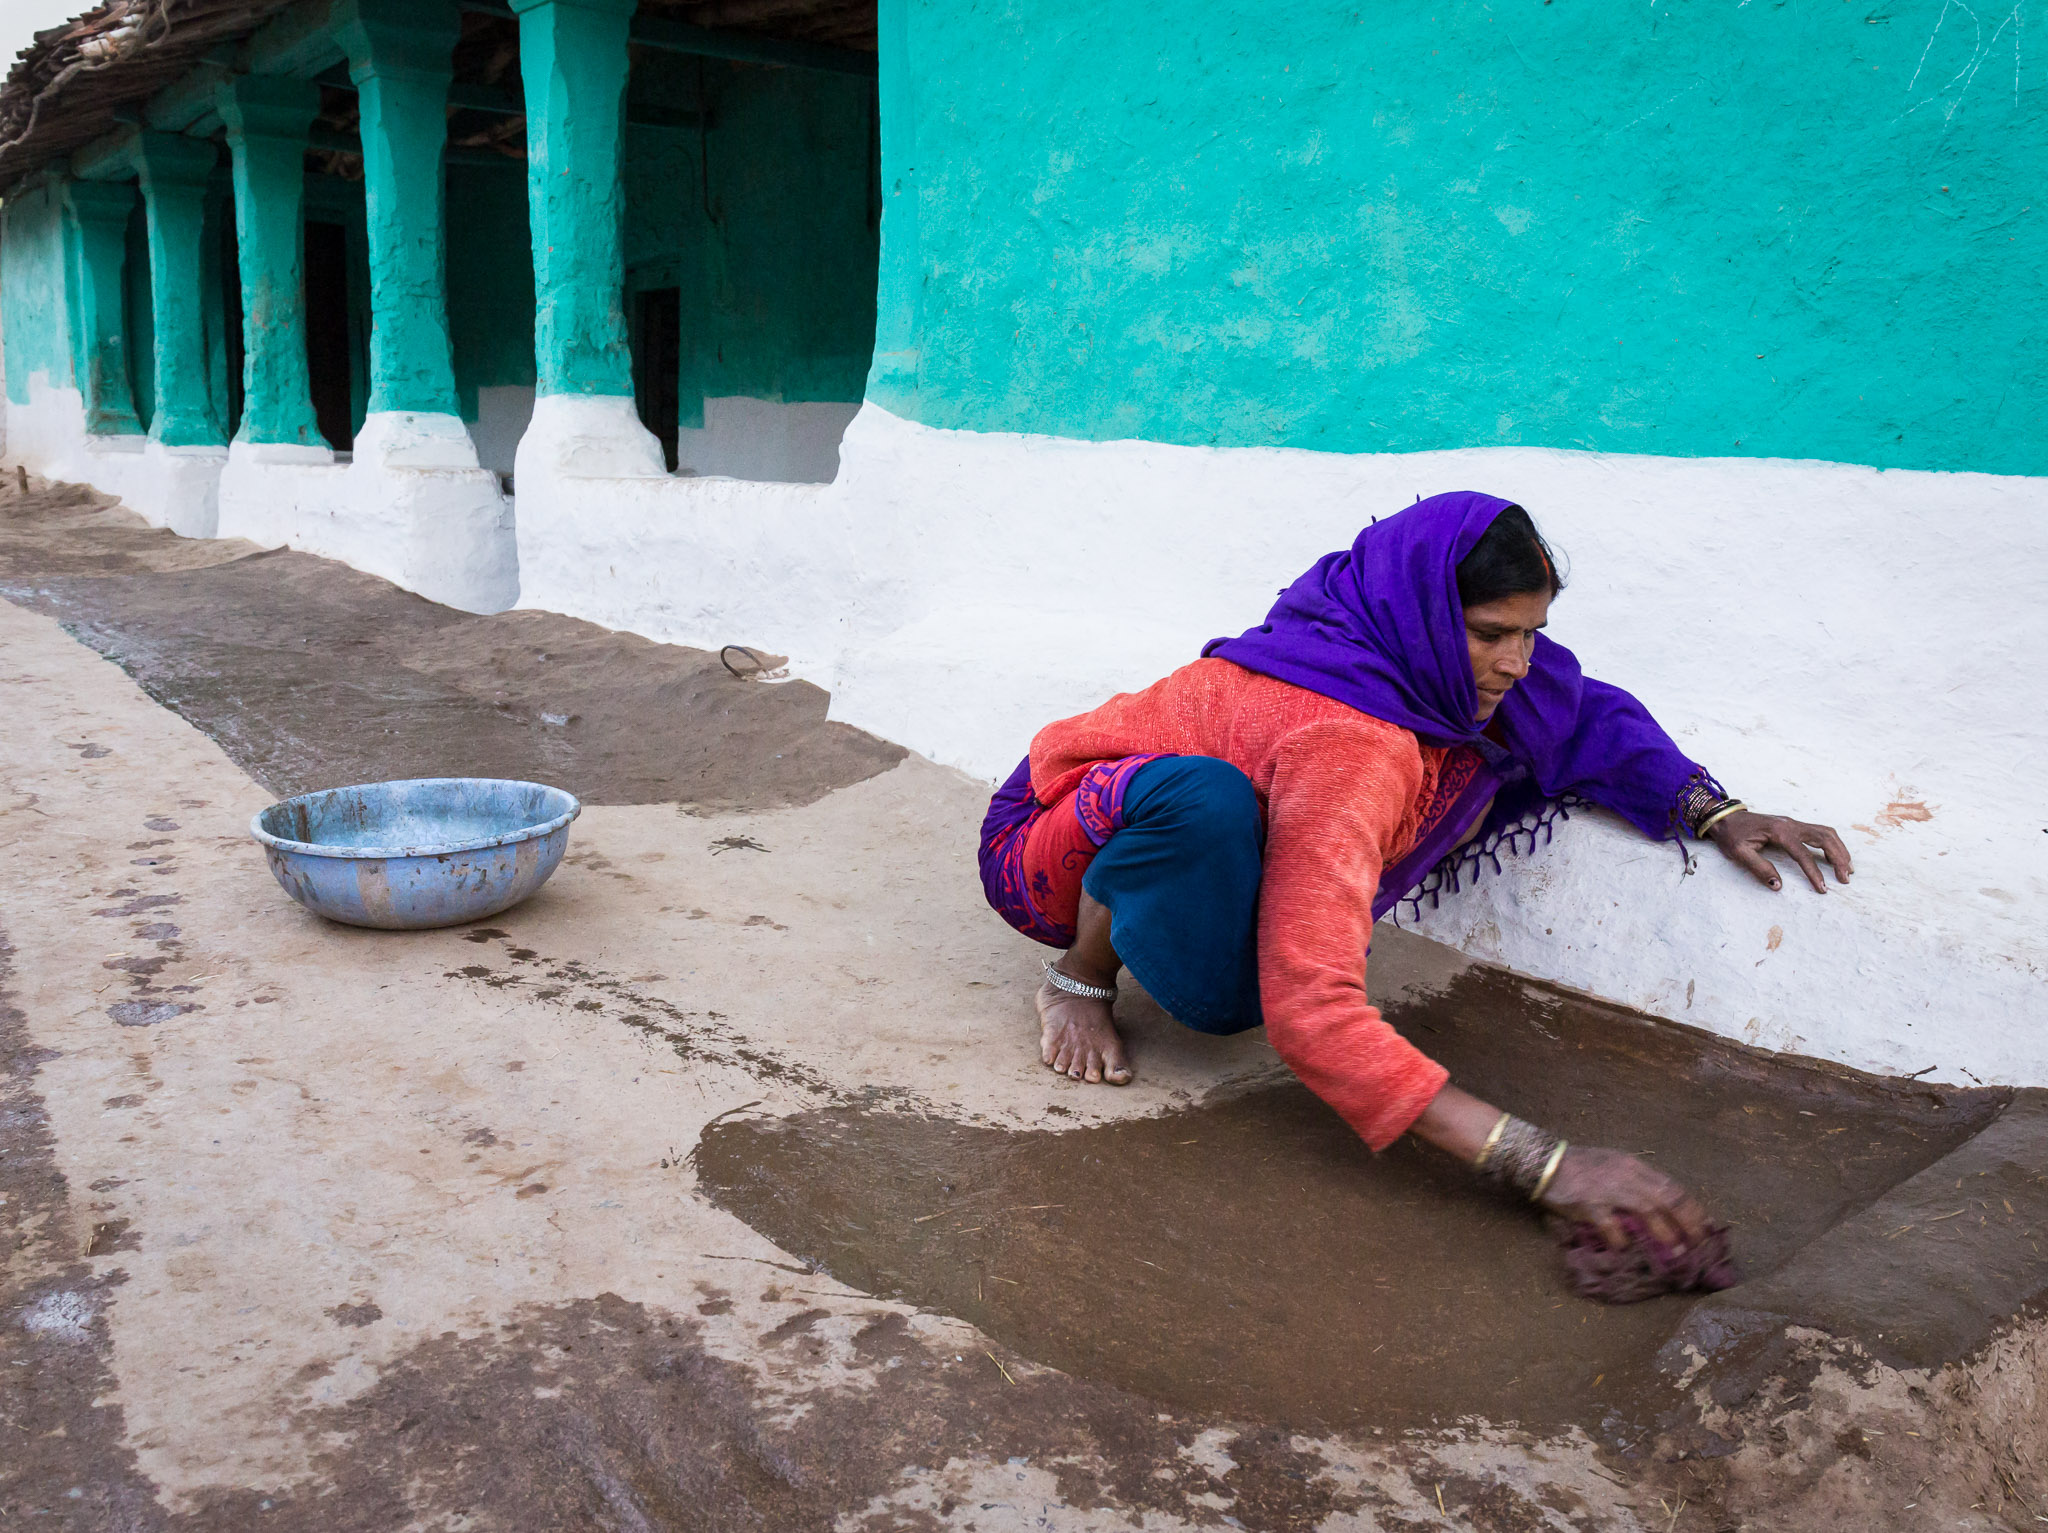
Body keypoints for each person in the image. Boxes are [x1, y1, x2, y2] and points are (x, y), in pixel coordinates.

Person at [977, 492, 1853, 1252]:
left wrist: (1717, 810)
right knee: (1212, 864)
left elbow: (1588, 716)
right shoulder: (1353, 742)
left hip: (1172, 819)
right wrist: (1543, 1162)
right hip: (1055, 835)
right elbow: (1311, 1011)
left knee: (1224, 816)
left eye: (1531, 632)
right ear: (1426, 615)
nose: (1517, 661)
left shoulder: (1421, 654)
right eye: (1491, 634)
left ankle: (1164, 878)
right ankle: (1082, 972)